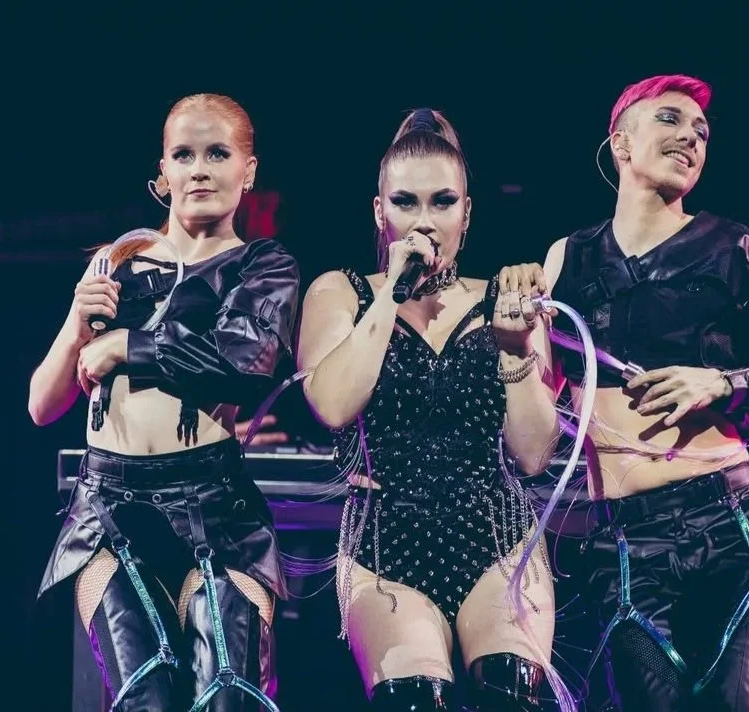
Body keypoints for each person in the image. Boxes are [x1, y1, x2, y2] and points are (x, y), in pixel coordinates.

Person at [540, 75, 749, 711]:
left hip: (727, 525)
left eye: (702, 132)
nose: (691, 136)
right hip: (626, 540)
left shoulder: (738, 251)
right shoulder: (567, 261)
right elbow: (536, 410)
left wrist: (721, 381)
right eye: (670, 120)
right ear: (621, 143)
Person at [29, 93, 300, 711]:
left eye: (217, 153)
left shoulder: (263, 264)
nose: (200, 168)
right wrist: (77, 322)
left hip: (216, 511)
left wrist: (129, 344)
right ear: (163, 173)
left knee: (225, 696)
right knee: (144, 693)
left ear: (248, 170)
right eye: (185, 155)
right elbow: (42, 406)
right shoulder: (116, 262)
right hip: (111, 510)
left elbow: (246, 361)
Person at [297, 108, 563, 711]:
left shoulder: (505, 298)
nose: (424, 222)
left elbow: (534, 453)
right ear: (379, 212)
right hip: (386, 549)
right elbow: (333, 404)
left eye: (442, 202)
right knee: (415, 698)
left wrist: (517, 348)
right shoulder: (342, 292)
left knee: (509, 690)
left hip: (497, 539)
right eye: (405, 203)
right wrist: (394, 291)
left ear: (467, 214)